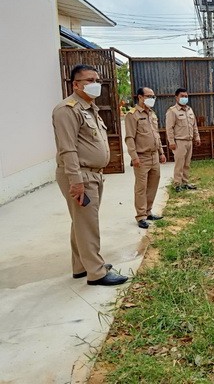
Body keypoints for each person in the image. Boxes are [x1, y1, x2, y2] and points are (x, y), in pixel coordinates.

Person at [52, 64, 128, 286]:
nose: (96, 84)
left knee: (81, 222)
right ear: (76, 84)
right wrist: (76, 181)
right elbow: (67, 149)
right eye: (90, 80)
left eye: (97, 80)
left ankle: (81, 266)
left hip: (92, 174)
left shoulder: (89, 108)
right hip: (80, 175)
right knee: (88, 224)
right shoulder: (67, 110)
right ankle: (96, 272)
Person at [125, 87, 166, 229]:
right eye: (149, 96)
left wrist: (161, 152)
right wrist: (134, 157)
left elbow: (156, 135)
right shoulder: (133, 115)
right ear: (140, 97)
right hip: (141, 157)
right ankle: (141, 216)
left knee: (153, 185)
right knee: (141, 188)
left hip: (154, 156)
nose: (152, 99)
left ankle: (148, 211)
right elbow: (129, 138)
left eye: (153, 96)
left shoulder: (152, 114)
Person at [165, 88, 201, 192]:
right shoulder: (172, 111)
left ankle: (185, 182)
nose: (184, 98)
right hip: (179, 142)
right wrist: (171, 142)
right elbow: (169, 128)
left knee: (187, 163)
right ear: (176, 97)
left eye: (186, 96)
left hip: (189, 141)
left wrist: (197, 137)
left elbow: (194, 125)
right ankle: (177, 184)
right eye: (182, 96)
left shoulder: (190, 110)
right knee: (179, 164)